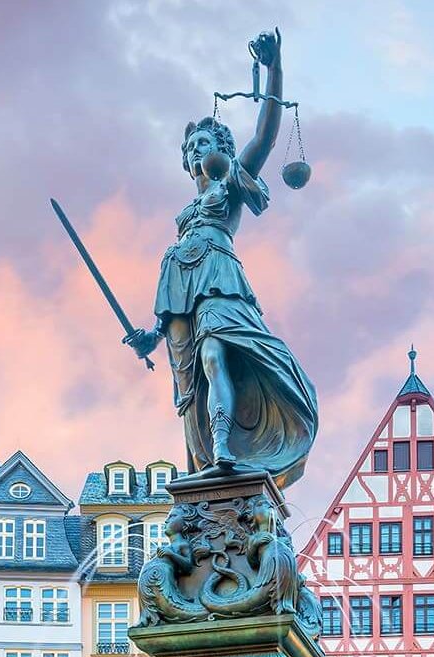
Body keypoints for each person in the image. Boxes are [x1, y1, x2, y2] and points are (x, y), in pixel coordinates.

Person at [124, 29, 318, 489]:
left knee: (216, 353)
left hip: (218, 278)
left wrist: (275, 70)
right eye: (190, 149)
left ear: (222, 152)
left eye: (204, 145)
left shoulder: (229, 183)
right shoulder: (185, 214)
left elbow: (266, 137)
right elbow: (166, 316)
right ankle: (205, 469)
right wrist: (148, 338)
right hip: (178, 287)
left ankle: (227, 447)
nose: (197, 152)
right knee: (190, 389)